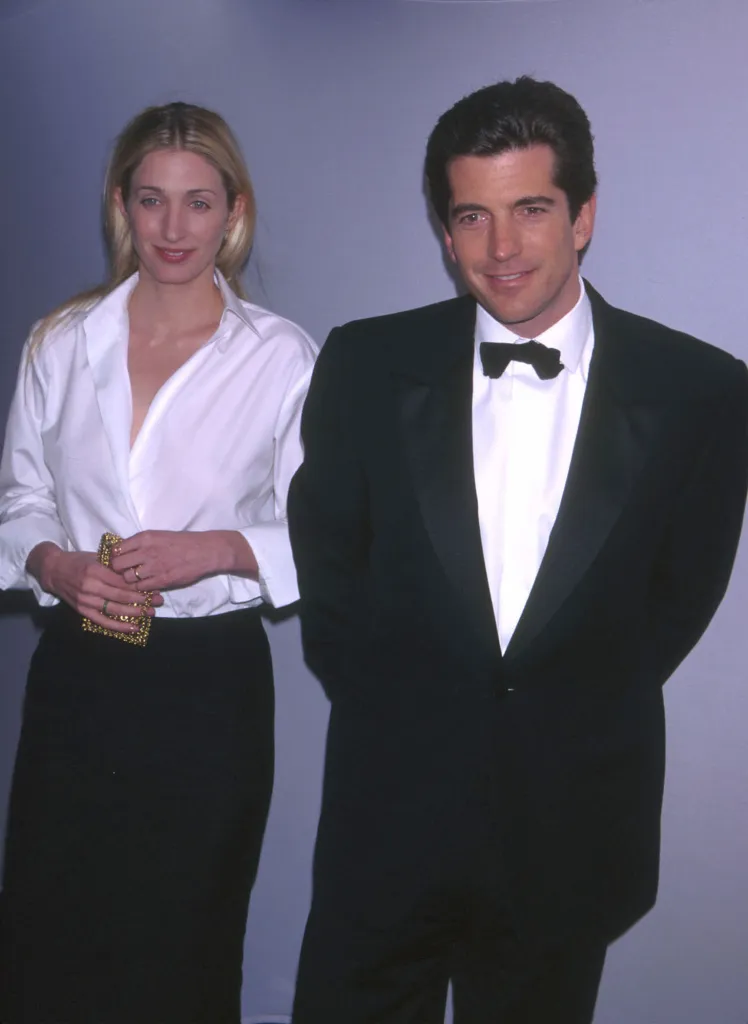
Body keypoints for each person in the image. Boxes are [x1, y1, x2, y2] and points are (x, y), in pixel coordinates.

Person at [287, 76, 748, 1024]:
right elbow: (329, 576)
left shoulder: (702, 391)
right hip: (387, 822)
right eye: (472, 217)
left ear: (583, 215)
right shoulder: (365, 363)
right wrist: (400, 710)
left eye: (531, 210)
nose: (500, 250)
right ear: (445, 230)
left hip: (569, 829)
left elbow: (677, 600)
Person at [0, 101, 316, 1024]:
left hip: (206, 688)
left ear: (234, 211)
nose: (174, 229)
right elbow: (19, 500)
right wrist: (52, 566)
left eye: (198, 202)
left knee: (184, 940)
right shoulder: (60, 342)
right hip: (78, 673)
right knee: (48, 928)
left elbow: (326, 534)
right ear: (120, 206)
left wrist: (216, 549)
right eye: (151, 201)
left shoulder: (281, 358)